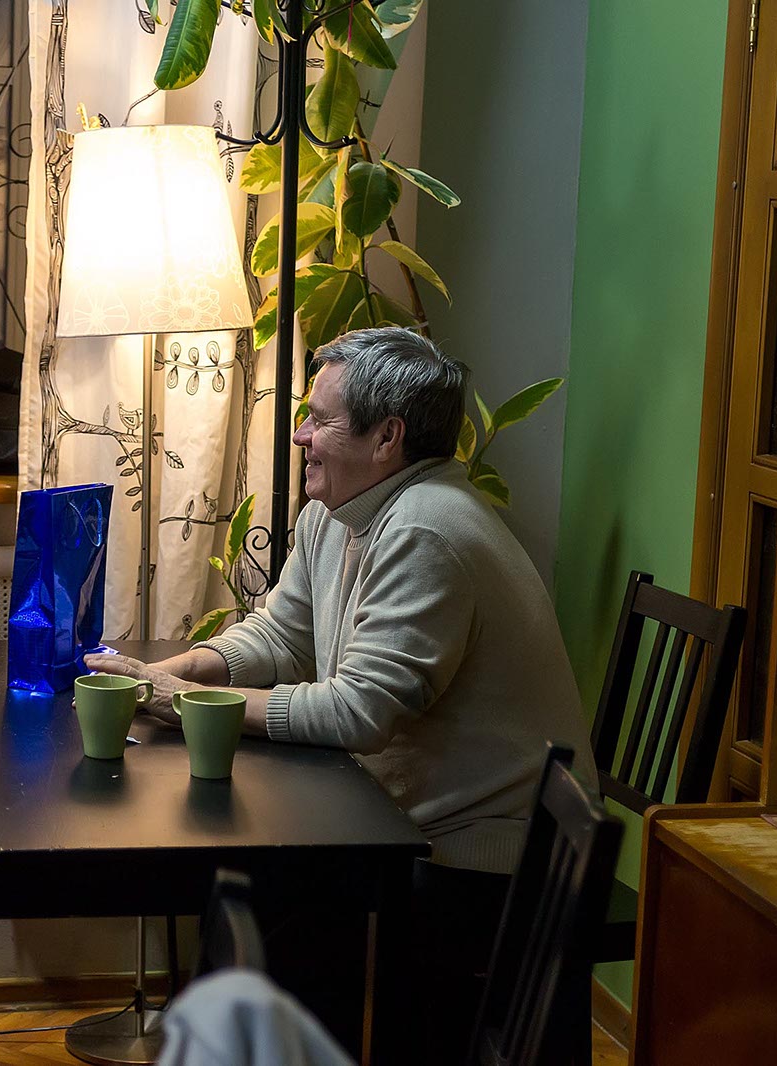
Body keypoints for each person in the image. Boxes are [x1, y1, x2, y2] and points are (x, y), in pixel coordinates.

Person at [87, 326, 596, 1058]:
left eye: (320, 420)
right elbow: (283, 635)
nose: (300, 436)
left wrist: (183, 703)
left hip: (484, 865)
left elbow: (359, 712)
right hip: (402, 828)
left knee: (275, 908)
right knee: (259, 892)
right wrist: (190, 668)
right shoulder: (337, 514)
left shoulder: (425, 531)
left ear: (387, 437)